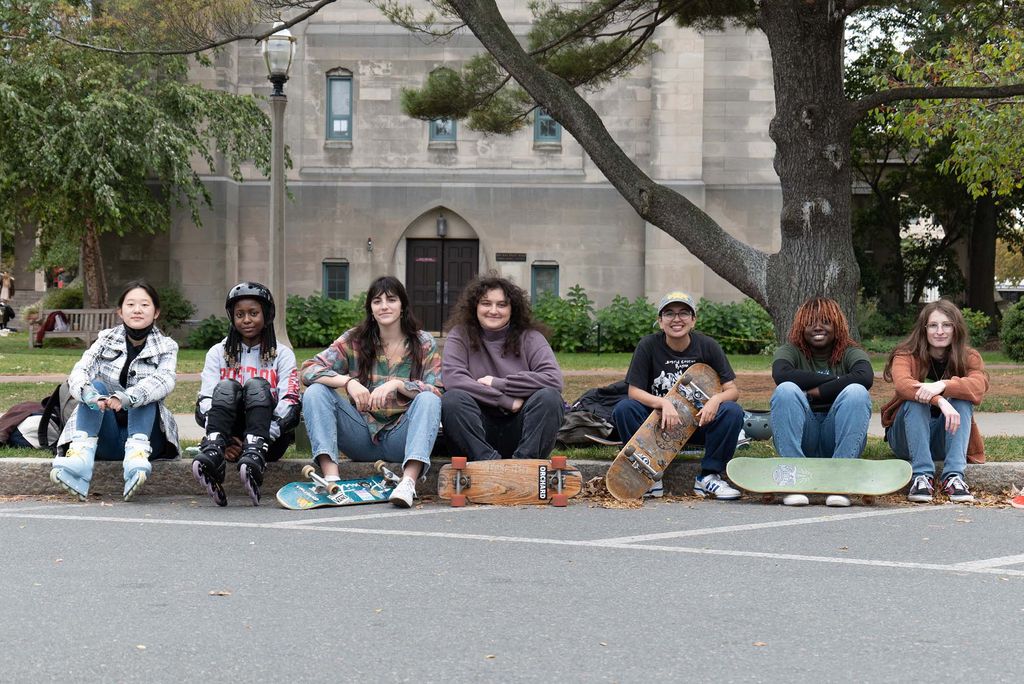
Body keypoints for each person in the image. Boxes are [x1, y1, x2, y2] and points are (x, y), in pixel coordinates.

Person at [301, 276, 442, 508]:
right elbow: (308, 369)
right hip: (361, 434)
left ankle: (408, 483)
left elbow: (437, 391)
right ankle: (331, 478)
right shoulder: (354, 339)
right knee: (316, 391)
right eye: (377, 301)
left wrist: (399, 385)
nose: (384, 306)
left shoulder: (423, 343)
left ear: (403, 305)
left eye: (391, 299)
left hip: (402, 438)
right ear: (371, 309)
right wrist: (348, 382)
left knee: (428, 399)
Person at [49, 280, 179, 501]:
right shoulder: (104, 340)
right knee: (96, 386)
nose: (137, 310)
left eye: (145, 305)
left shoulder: (167, 346)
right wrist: (89, 394)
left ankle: (135, 460)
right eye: (130, 304)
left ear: (156, 312)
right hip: (104, 437)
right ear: (120, 311)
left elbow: (164, 380)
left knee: (146, 391)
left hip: (148, 441)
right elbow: (79, 371)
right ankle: (81, 460)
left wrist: (128, 397)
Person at [611, 291, 744, 499]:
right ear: (660, 321)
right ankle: (649, 475)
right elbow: (633, 391)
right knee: (624, 408)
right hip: (658, 424)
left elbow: (733, 391)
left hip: (699, 423)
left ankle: (709, 477)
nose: (676, 319)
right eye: (669, 314)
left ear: (693, 320)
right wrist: (663, 403)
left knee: (732, 411)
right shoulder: (648, 346)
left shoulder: (708, 346)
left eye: (683, 313)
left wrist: (715, 400)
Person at [191, 282, 301, 506]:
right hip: (229, 439)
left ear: (267, 315)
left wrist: (259, 439)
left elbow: (291, 402)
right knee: (226, 387)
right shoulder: (218, 353)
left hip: (269, 440)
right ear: (232, 317)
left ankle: (254, 453)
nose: (246, 320)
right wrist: (227, 440)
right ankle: (213, 452)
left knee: (257, 386)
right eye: (239, 314)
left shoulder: (282, 354)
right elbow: (204, 400)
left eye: (253, 313)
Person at [440, 273, 565, 463]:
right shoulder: (460, 335)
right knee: (452, 400)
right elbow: (453, 379)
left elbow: (553, 380)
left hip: (522, 431)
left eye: (501, 304)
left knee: (549, 398)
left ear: (512, 308)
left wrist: (500, 384)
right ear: (475, 306)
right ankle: (487, 465)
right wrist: (504, 399)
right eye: (486, 303)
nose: (493, 310)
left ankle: (524, 466)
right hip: (477, 432)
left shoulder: (531, 338)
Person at [881, 300, 989, 503]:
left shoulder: (969, 357)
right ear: (924, 329)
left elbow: (979, 385)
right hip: (906, 437)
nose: (940, 331)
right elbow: (903, 385)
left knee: (962, 398)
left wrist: (944, 385)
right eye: (933, 325)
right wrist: (940, 401)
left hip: (944, 437)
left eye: (946, 325)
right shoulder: (905, 354)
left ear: (955, 328)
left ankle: (954, 477)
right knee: (915, 399)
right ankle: (921, 476)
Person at [769, 296, 873, 507]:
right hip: (803, 435)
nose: (818, 327)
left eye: (825, 321)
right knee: (786, 390)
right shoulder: (790, 351)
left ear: (837, 326)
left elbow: (864, 376)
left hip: (835, 438)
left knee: (857, 392)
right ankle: (794, 480)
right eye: (810, 322)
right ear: (801, 327)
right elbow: (781, 374)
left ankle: (840, 482)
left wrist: (819, 391)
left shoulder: (850, 352)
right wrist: (838, 381)